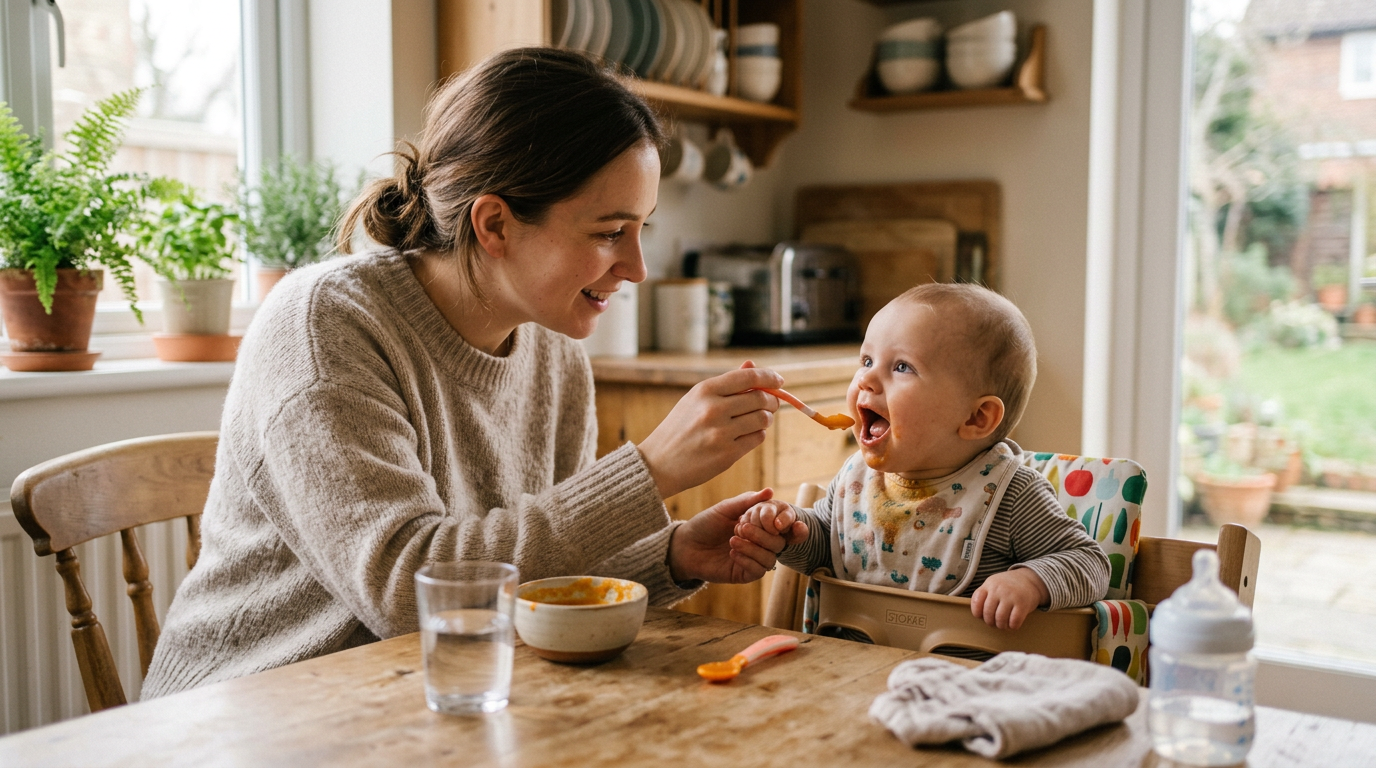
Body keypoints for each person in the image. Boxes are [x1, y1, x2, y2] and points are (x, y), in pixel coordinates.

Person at [141, 48, 788, 698]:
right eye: (609, 232)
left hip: (418, 700)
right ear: (495, 223)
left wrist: (671, 556)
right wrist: (650, 470)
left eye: (641, 228)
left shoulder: (554, 353)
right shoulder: (326, 324)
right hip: (244, 710)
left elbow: (530, 573)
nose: (637, 267)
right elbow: (408, 593)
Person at [733, 283, 1109, 634]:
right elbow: (825, 547)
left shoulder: (1008, 495)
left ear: (976, 418)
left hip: (961, 684)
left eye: (901, 367)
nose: (866, 380)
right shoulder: (856, 478)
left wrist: (1030, 581)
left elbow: (1089, 563)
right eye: (866, 361)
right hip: (847, 675)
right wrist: (789, 532)